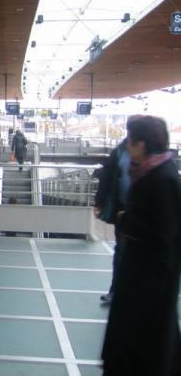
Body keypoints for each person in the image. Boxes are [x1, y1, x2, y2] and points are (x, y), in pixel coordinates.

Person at [101, 116, 181, 376]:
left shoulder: (162, 179)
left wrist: (126, 220)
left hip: (150, 279)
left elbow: (164, 234)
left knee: (145, 342)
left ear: (142, 144)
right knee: (147, 339)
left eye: (131, 141)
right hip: (146, 276)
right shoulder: (155, 173)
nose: (127, 146)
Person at [94, 115, 140, 304]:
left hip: (141, 213)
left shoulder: (155, 161)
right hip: (123, 211)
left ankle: (133, 292)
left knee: (137, 255)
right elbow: (107, 177)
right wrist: (100, 201)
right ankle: (116, 291)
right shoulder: (120, 152)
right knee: (120, 252)